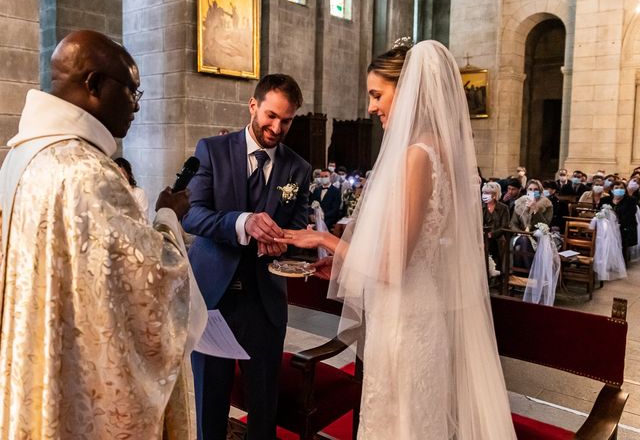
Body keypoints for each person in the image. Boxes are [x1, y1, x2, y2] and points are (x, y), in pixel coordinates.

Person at [275, 41, 516, 438]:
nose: (371, 107)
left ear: (409, 90)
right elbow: (410, 251)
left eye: (376, 94)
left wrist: (324, 238)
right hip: (415, 308)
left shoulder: (416, 157)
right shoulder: (440, 152)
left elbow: (390, 265)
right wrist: (345, 259)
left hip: (407, 321)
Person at [0, 30, 207, 439]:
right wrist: (168, 216)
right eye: (132, 91)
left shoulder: (21, 157)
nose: (136, 106)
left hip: (34, 363)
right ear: (94, 84)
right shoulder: (86, 173)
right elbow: (154, 289)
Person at [182, 74, 311, 440]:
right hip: (213, 298)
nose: (277, 127)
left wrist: (282, 241)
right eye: (271, 115)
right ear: (253, 106)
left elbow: (298, 226)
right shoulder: (212, 150)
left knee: (263, 406)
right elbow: (191, 215)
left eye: (286, 120)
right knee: (210, 401)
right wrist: (243, 222)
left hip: (264, 301)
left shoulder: (297, 168)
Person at [600, 181, 638, 264]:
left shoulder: (631, 200)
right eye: (616, 188)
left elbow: (630, 214)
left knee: (622, 234)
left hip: (625, 226)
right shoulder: (605, 200)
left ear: (625, 190)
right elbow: (600, 212)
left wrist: (617, 223)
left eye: (621, 188)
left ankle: (621, 261)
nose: (619, 190)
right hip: (608, 226)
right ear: (612, 190)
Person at [482, 182, 510, 273]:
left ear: (495, 195)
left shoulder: (503, 208)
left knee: (496, 244)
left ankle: (497, 273)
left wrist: (492, 234)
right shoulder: (481, 207)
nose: (485, 195)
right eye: (484, 193)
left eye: (487, 193)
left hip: (498, 236)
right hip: (483, 236)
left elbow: (505, 225)